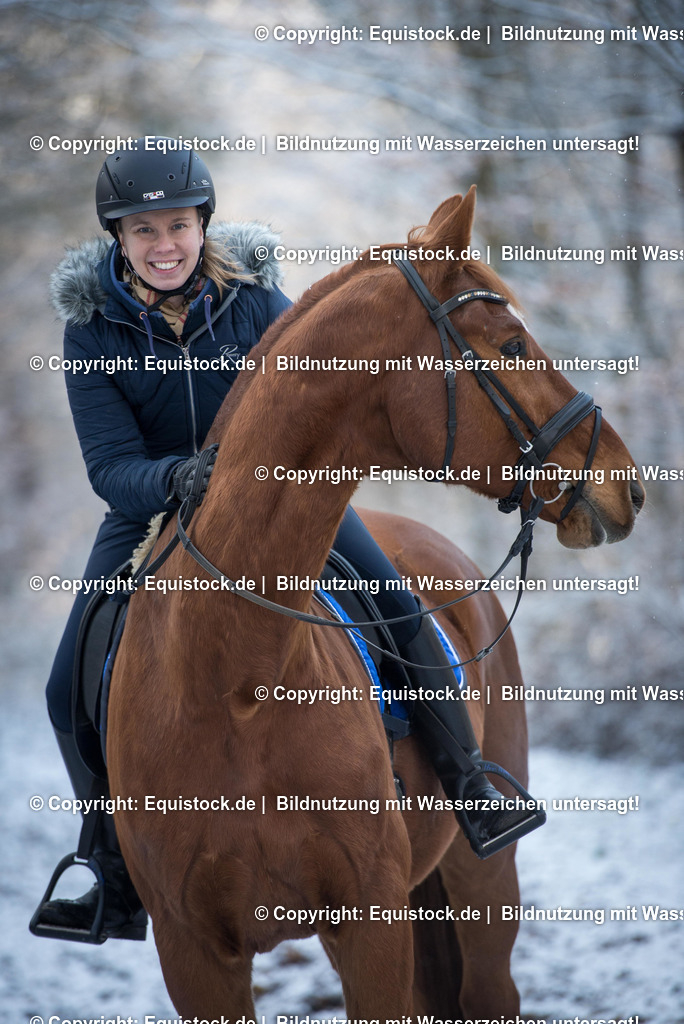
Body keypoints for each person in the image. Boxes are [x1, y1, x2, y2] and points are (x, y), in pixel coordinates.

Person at [31, 139, 545, 945]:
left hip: (283, 504)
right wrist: (179, 481)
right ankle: (111, 862)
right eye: (142, 231)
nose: (163, 244)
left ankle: (469, 782)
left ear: (203, 225)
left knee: (403, 612)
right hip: (150, 515)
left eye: (177, 225)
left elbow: (312, 412)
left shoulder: (259, 302)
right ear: (117, 240)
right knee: (68, 680)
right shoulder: (90, 331)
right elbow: (110, 466)